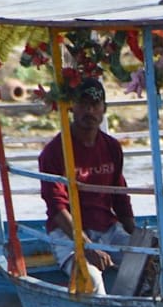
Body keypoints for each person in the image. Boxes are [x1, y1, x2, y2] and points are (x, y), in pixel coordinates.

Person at [38, 78, 136, 295]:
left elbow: (120, 195)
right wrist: (86, 246)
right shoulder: (54, 152)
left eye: (95, 104)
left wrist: (135, 234)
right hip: (69, 234)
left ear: (104, 109)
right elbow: (56, 207)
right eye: (83, 104)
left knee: (148, 265)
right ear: (73, 106)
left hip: (108, 229)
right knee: (90, 280)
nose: (89, 111)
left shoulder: (111, 147)